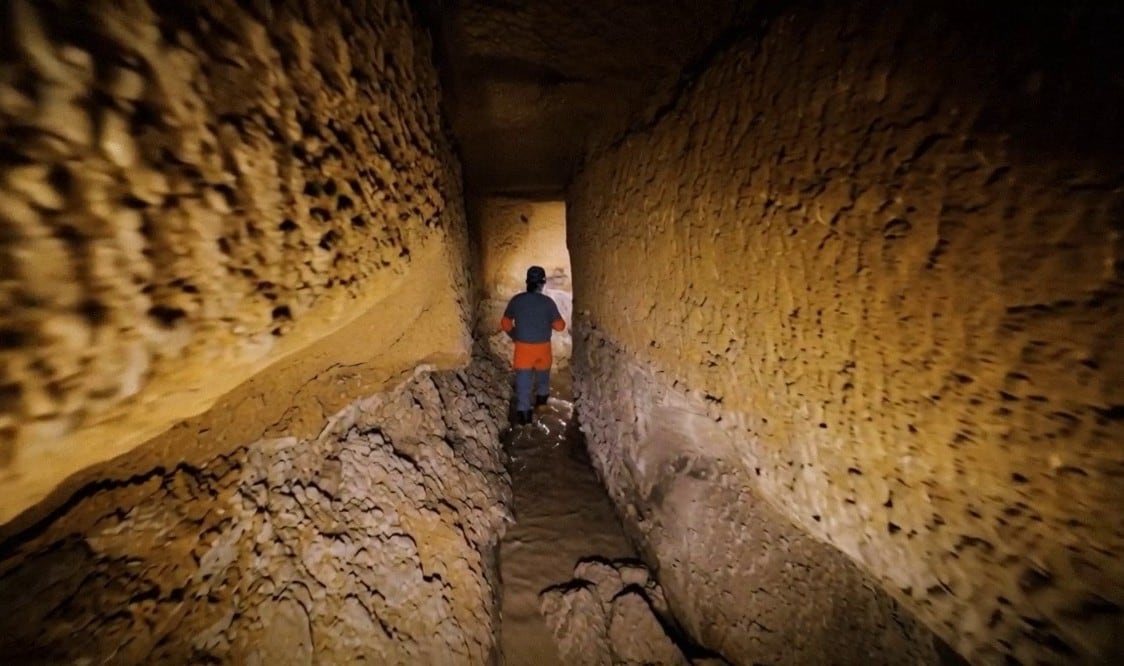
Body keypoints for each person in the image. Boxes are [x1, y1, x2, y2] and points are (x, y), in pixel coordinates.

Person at [500, 265, 566, 425]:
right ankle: (541, 407)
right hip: (543, 350)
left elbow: (505, 323)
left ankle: (525, 423)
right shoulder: (548, 302)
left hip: (523, 350)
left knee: (523, 387)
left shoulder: (517, 300)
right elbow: (560, 326)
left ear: (527, 282)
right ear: (542, 283)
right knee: (543, 381)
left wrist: (516, 335)